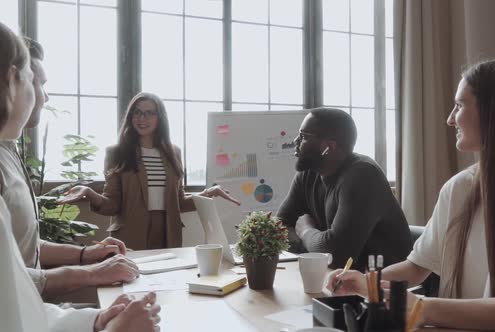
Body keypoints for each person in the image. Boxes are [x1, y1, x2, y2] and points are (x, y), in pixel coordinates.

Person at [327, 60, 495, 331]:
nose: (450, 119)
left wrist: (422, 308)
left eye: (460, 105)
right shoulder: (459, 187)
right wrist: (364, 282)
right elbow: (417, 267)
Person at [0, 21, 160, 332]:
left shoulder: (9, 150)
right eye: (34, 81)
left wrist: (94, 316)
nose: (44, 97)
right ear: (11, 79)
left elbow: (20, 255)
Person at [60, 92, 240, 250]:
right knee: (133, 284)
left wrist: (208, 193)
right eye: (137, 112)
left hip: (168, 233)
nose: (142, 118)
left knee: (167, 284)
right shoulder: (117, 152)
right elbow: (113, 205)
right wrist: (89, 193)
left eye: (149, 113)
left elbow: (178, 203)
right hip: (131, 234)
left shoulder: (174, 152)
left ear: (159, 117)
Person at [276, 107, 412, 270]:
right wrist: (316, 244)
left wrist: (305, 230)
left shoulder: (363, 176)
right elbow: (279, 228)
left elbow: (336, 255)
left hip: (382, 287)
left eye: (304, 136)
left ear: (329, 147)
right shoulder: (308, 174)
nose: (295, 141)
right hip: (338, 280)